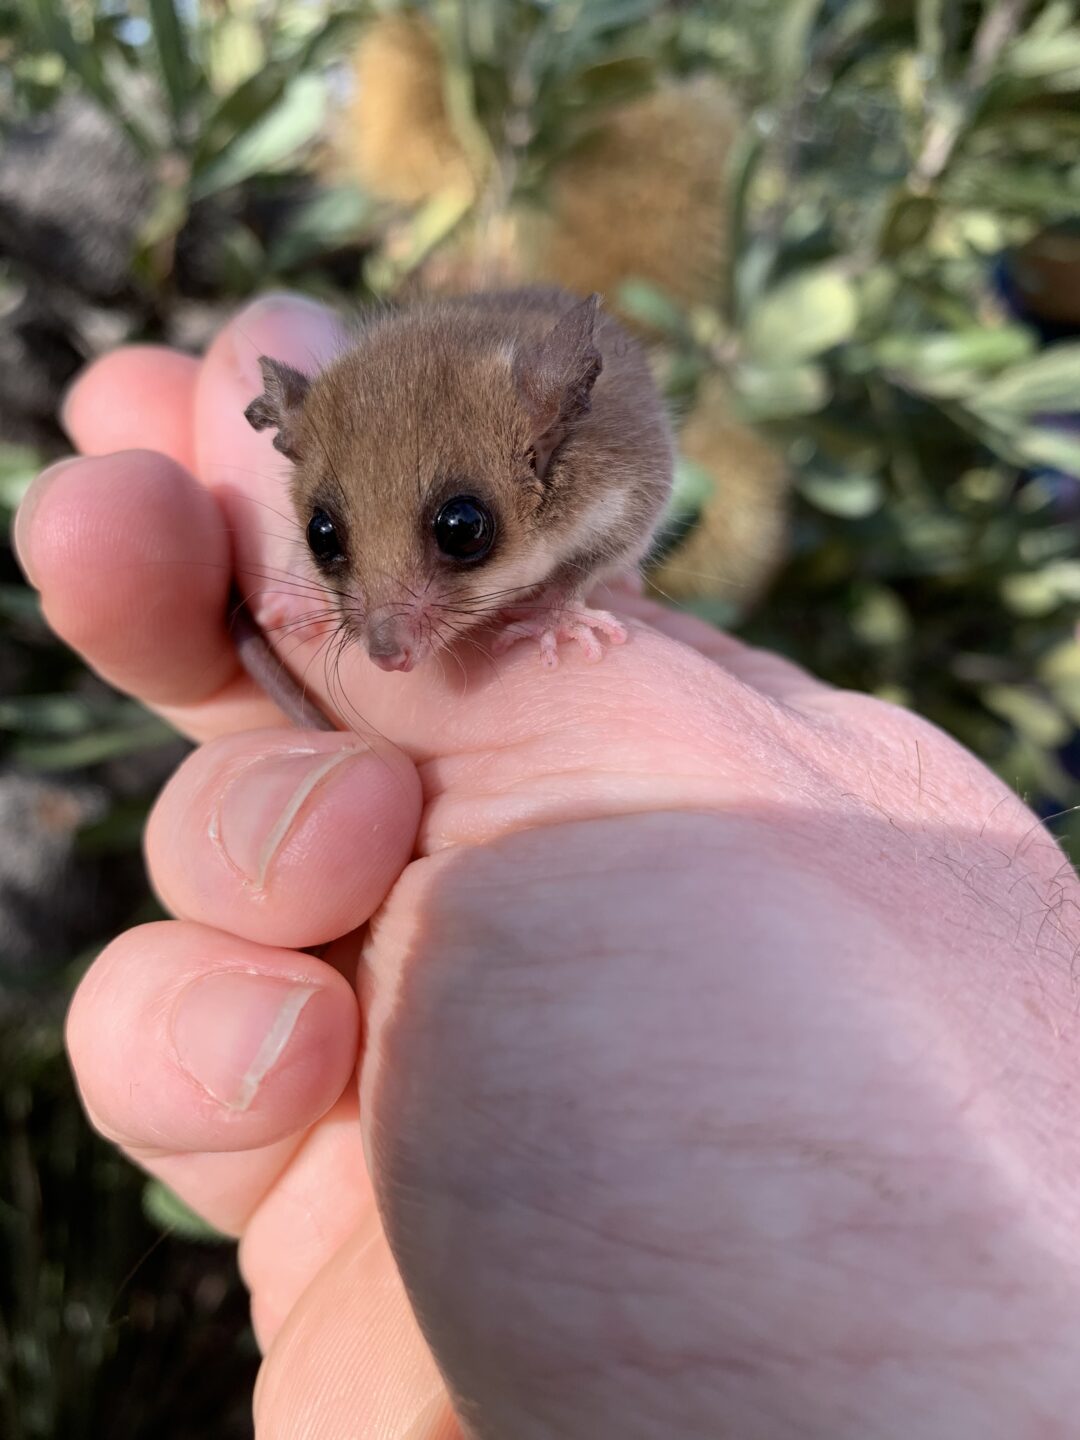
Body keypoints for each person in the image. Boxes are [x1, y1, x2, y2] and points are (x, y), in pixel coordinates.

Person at [14, 295, 1080, 1439]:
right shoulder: (360, 466)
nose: (383, 636)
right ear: (291, 445)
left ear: (547, 440)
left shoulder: (586, 445)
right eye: (331, 543)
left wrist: (567, 589)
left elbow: (642, 496)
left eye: (457, 534)